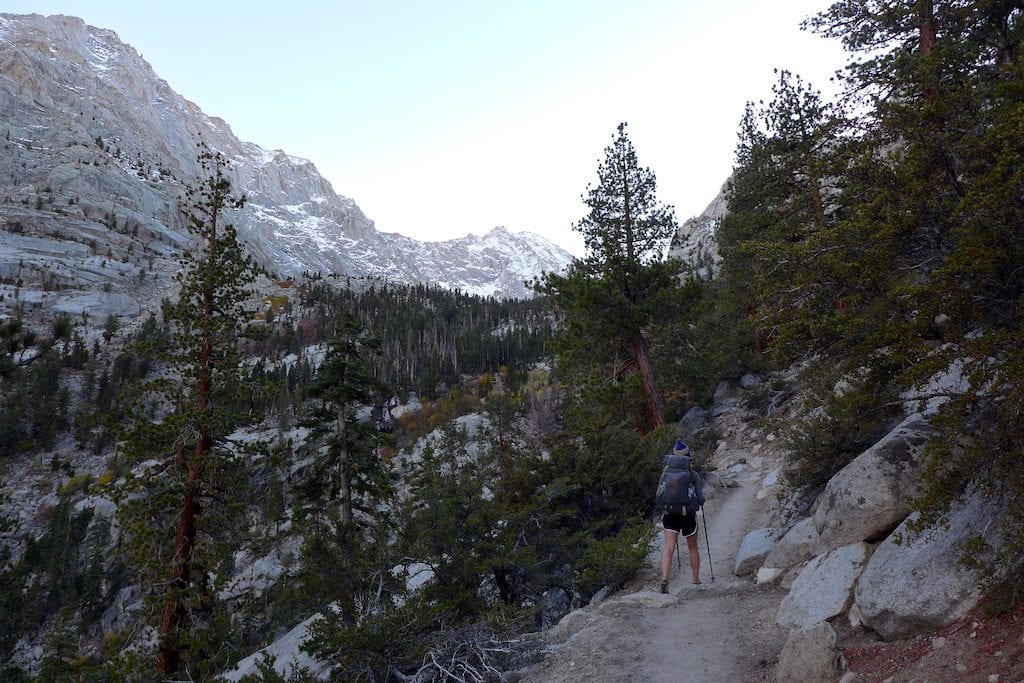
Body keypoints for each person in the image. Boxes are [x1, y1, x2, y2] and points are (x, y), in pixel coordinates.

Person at [655, 439, 704, 593]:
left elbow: (659, 494)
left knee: (669, 547)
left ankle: (664, 578)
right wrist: (699, 502)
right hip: (687, 513)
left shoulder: (665, 472)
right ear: (688, 457)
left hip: (669, 512)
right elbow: (701, 498)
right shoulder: (692, 474)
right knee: (692, 547)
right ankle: (695, 580)